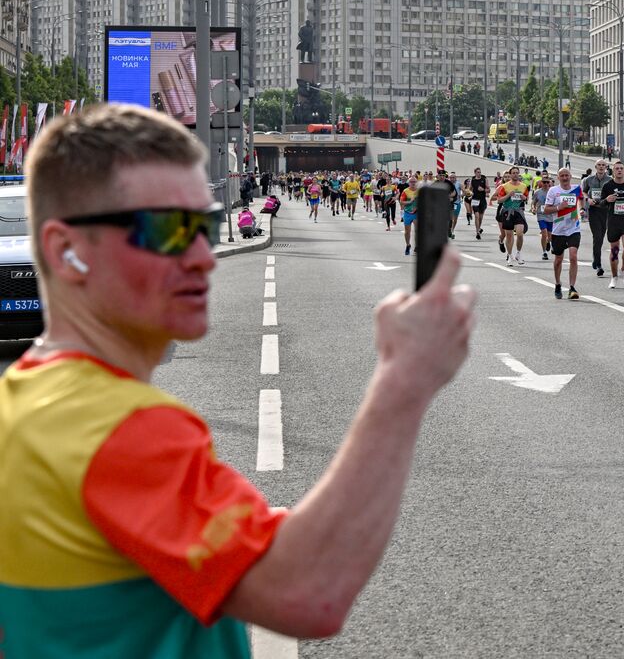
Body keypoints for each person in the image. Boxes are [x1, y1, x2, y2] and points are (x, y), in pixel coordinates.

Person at [0, 103, 476, 654]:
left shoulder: (23, 402)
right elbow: (307, 590)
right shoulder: (118, 428)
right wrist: (405, 378)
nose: (205, 257)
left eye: (205, 225)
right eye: (170, 230)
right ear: (66, 251)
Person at [544, 168, 585, 300]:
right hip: (558, 230)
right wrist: (558, 208)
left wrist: (582, 209)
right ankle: (557, 283)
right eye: (562, 176)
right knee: (558, 260)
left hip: (574, 228)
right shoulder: (553, 191)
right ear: (558, 177)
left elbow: (581, 199)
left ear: (571, 176)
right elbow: (546, 210)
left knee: (573, 256)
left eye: (567, 175)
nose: (565, 178)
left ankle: (572, 288)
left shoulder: (576, 188)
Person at [494, 167, 530, 266]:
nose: (515, 174)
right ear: (510, 175)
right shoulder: (504, 186)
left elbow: (526, 198)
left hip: (518, 212)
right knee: (509, 235)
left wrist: (524, 198)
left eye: (517, 173)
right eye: (513, 173)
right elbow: (499, 200)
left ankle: (518, 253)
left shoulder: (523, 186)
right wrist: (508, 195)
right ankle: (510, 255)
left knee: (520, 233)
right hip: (507, 212)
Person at [582, 160, 611, 277]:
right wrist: (587, 199)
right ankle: (598, 264)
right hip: (594, 211)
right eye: (599, 165)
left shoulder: (610, 180)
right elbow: (583, 192)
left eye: (603, 165)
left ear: (606, 167)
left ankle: (596, 258)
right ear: (595, 167)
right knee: (597, 237)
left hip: (606, 211)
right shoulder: (588, 180)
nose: (601, 167)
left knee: (602, 236)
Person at [532, 174, 555, 261]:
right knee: (544, 233)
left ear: (549, 182)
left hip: (551, 216)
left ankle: (548, 242)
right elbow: (534, 202)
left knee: (550, 235)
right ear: (541, 182)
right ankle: (544, 252)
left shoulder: (553, 192)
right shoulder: (538, 192)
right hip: (541, 215)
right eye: (544, 182)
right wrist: (533, 208)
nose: (545, 184)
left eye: (547, 182)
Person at [399, 177, 419, 256]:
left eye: (414, 182)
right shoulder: (405, 191)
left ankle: (417, 247)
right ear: (409, 183)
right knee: (407, 232)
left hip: (417, 213)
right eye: (411, 182)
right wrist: (410, 201)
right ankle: (408, 245)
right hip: (407, 213)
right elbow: (401, 202)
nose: (413, 183)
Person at [469, 168, 489, 239]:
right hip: (475, 200)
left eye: (480, 172)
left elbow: (488, 190)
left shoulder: (484, 179)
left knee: (480, 217)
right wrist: (470, 194)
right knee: (476, 216)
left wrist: (483, 190)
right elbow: (470, 189)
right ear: (475, 173)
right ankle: (477, 232)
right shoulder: (473, 180)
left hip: (482, 200)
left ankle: (479, 228)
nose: (479, 173)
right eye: (478, 172)